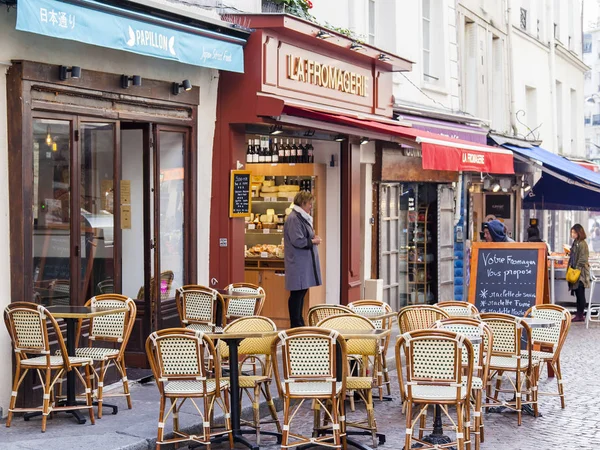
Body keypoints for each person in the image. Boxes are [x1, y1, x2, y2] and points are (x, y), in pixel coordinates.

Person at [283, 191, 322, 328]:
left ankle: (299, 323)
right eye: (309, 203)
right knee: (297, 294)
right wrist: (314, 241)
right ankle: (296, 324)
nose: (311, 206)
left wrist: (312, 238)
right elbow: (298, 241)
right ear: (302, 203)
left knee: (300, 293)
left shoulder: (301, 217)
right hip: (298, 263)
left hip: (302, 263)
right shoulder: (294, 219)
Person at [568, 224, 590, 322]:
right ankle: (579, 314)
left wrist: (576, 270)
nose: (572, 234)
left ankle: (580, 314)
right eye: (572, 232)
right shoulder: (576, 242)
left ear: (579, 233)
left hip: (580, 273)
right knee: (578, 293)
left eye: (574, 232)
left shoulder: (582, 244)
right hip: (576, 271)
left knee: (580, 293)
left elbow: (583, 259)